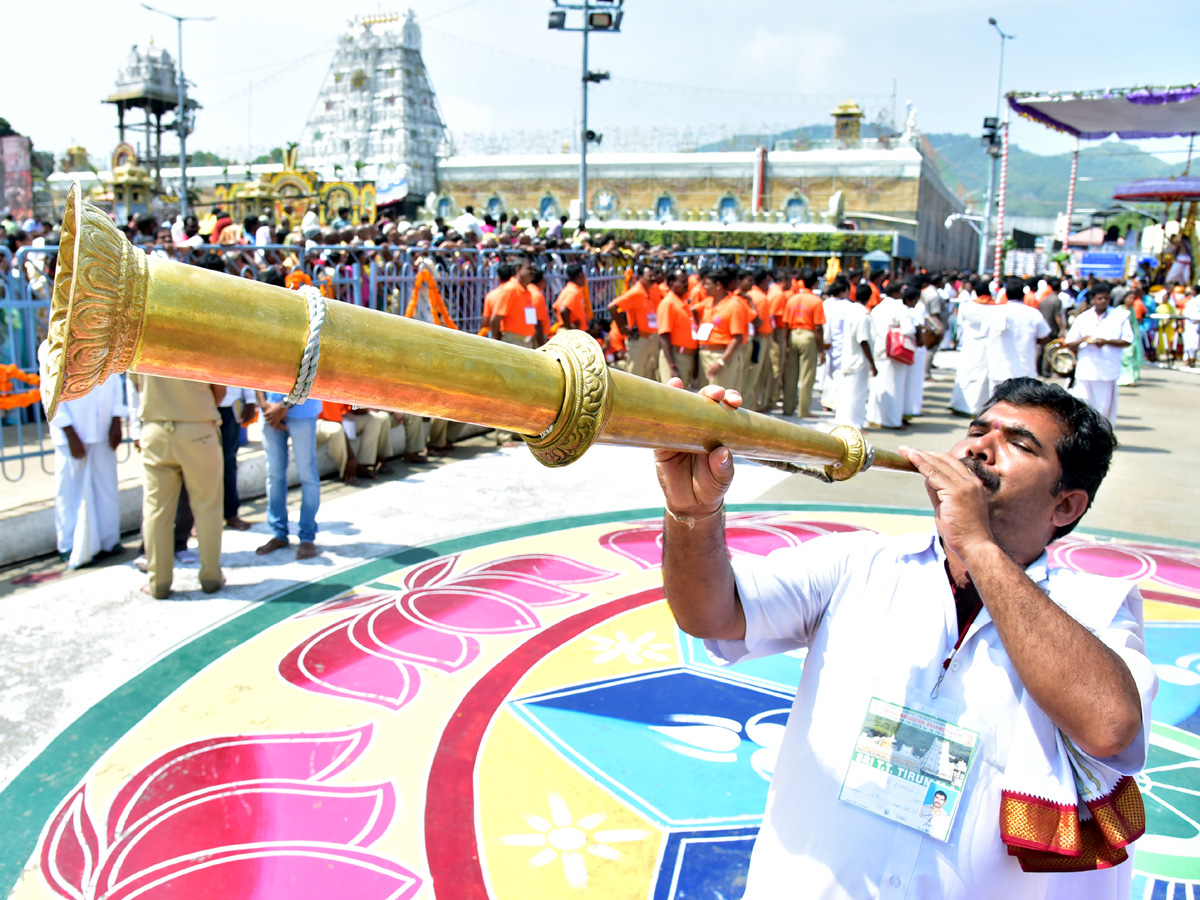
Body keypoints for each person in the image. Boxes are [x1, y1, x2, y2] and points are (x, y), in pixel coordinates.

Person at [652, 376, 1152, 898]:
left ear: (1066, 507)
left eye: (1019, 444)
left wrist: (977, 545)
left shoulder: (1096, 608)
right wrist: (693, 512)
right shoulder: (857, 561)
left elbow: (1110, 726)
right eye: (977, 431)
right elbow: (711, 614)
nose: (979, 446)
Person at [132, 373, 226, 598]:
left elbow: (138, 386)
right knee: (207, 506)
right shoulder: (207, 336)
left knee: (156, 511)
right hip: (197, 427)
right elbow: (220, 391)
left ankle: (158, 583)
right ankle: (211, 577)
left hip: (155, 429)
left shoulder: (143, 339)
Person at [37, 342, 125, 568]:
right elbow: (50, 390)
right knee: (71, 489)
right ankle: (69, 545)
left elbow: (114, 379)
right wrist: (67, 430)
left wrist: (116, 418)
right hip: (73, 431)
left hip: (103, 427)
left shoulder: (105, 339)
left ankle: (108, 540)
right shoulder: (52, 345)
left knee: (106, 486)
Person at [255, 389, 323, 560]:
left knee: (307, 475)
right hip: (269, 411)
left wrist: (283, 406)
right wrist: (264, 405)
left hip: (302, 410)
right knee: (274, 474)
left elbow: (310, 372)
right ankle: (279, 534)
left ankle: (307, 537)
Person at [1063, 282, 1132, 424]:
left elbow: (1128, 340)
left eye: (1105, 298)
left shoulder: (1120, 316)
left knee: (1104, 412)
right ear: (1093, 299)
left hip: (1107, 371)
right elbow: (1070, 343)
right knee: (1083, 407)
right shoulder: (1084, 318)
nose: (1102, 301)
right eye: (1099, 298)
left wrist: (1106, 342)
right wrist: (1084, 340)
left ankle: (1102, 439)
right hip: (1086, 370)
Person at [987, 278, 1051, 393]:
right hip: (1025, 370)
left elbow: (985, 333)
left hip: (998, 369)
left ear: (1005, 294)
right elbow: (1044, 336)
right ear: (1023, 295)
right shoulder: (1033, 314)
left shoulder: (994, 312)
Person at [867, 283, 917, 429]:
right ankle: (893, 420)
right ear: (896, 292)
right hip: (894, 351)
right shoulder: (899, 307)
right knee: (895, 386)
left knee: (879, 385)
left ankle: (875, 417)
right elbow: (908, 329)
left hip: (879, 349)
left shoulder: (877, 308)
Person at [950, 277, 998, 417]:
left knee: (966, 374)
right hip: (987, 345)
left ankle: (960, 404)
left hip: (969, 344)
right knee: (982, 377)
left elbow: (960, 323)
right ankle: (978, 407)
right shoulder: (995, 308)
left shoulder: (967, 306)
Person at [782, 268, 826, 417]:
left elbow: (786, 324)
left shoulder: (792, 299)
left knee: (791, 374)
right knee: (807, 375)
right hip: (808, 335)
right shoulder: (816, 301)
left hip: (793, 334)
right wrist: (822, 349)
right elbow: (818, 327)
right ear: (814, 283)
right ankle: (804, 410)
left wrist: (787, 344)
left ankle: (787, 408)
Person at [697, 266, 748, 390]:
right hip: (705, 354)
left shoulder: (733, 306)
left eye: (708, 284)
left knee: (718, 398)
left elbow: (737, 338)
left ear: (718, 285)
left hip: (720, 356)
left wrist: (721, 362)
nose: (705, 287)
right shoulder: (710, 302)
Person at [833, 282, 876, 429]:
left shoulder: (851, 311)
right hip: (857, 360)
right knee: (855, 395)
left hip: (849, 358)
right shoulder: (861, 315)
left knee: (848, 392)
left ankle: (846, 422)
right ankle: (853, 425)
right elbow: (863, 341)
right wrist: (873, 364)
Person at [608, 266, 659, 379]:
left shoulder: (651, 290)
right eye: (649, 276)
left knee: (649, 376)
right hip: (639, 341)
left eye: (653, 275)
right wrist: (622, 327)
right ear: (640, 277)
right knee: (635, 375)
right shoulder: (635, 292)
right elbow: (612, 307)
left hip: (651, 339)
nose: (652, 278)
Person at [217, 385, 257, 530]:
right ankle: (194, 518)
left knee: (228, 461)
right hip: (201, 406)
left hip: (229, 405)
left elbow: (244, 366)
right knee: (199, 463)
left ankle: (231, 513)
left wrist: (251, 399)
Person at [657, 267, 699, 387]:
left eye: (687, 281)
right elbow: (664, 335)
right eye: (682, 282)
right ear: (671, 283)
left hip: (686, 357)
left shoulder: (683, 303)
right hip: (676, 357)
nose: (686, 285)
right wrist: (672, 366)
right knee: (672, 397)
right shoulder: (668, 303)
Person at [553, 263, 590, 330]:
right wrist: (569, 326)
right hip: (571, 334)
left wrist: (561, 322)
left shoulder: (569, 289)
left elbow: (555, 309)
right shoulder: (572, 291)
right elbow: (563, 310)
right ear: (580, 275)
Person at [1182, 286, 1200, 367]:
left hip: (1195, 324)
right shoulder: (1192, 300)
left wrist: (1198, 319)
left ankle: (1192, 359)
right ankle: (1188, 358)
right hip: (1188, 323)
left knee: (1194, 342)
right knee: (1187, 341)